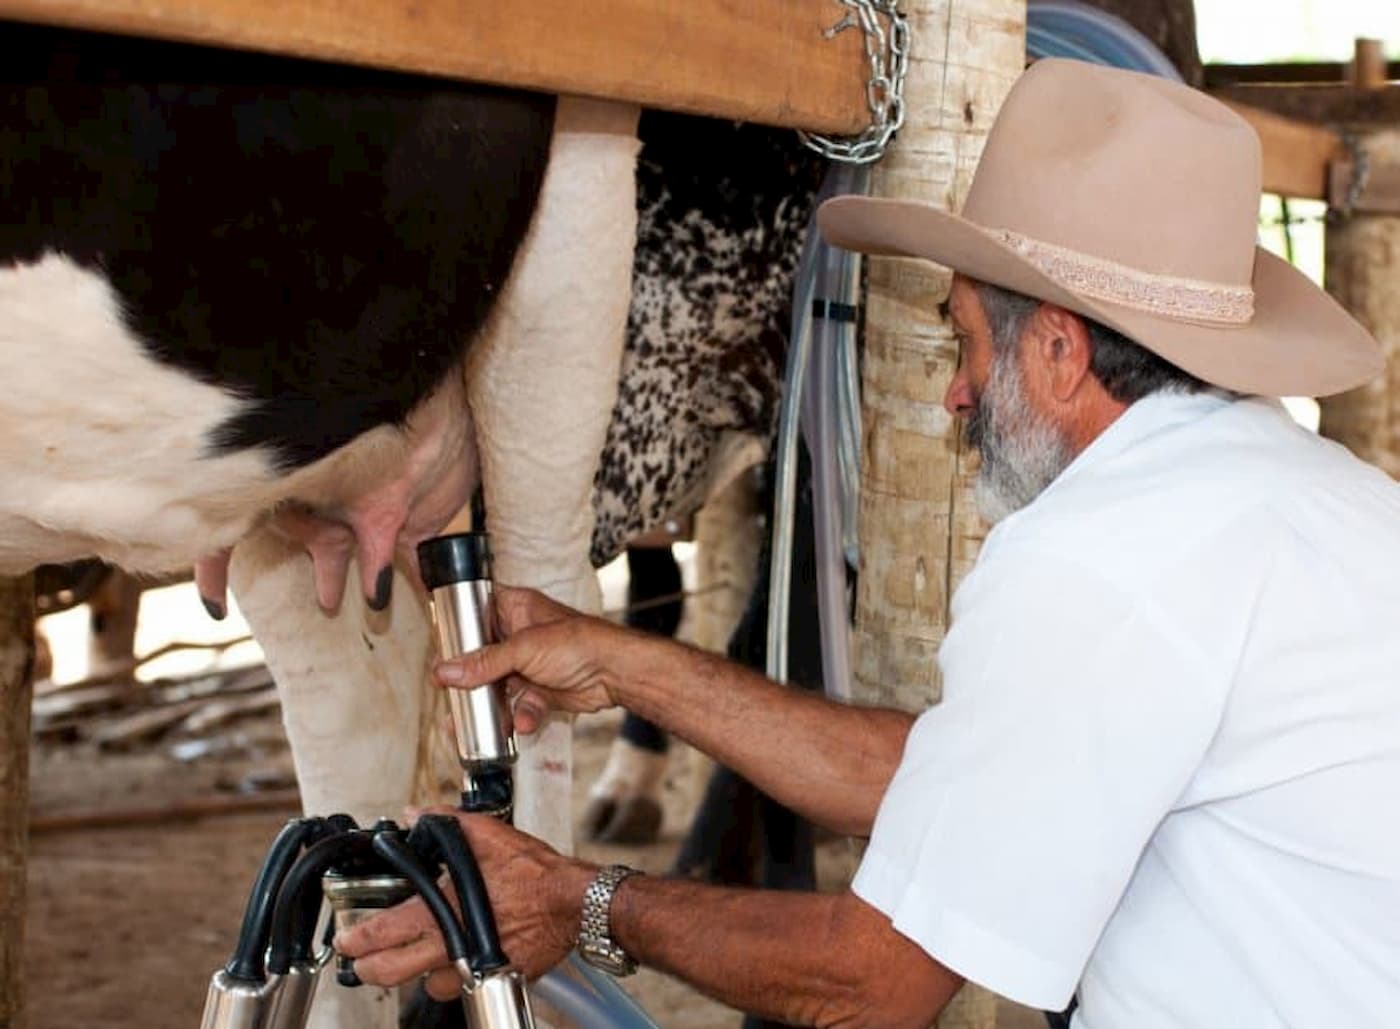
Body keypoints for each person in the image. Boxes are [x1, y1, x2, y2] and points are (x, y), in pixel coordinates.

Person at [336, 59, 1400, 1027]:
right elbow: (954, 779)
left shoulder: (1099, 557)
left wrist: (577, 901)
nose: (952, 391)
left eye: (966, 343)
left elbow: (869, 981)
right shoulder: (1310, 497)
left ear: (1062, 353)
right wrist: (622, 664)